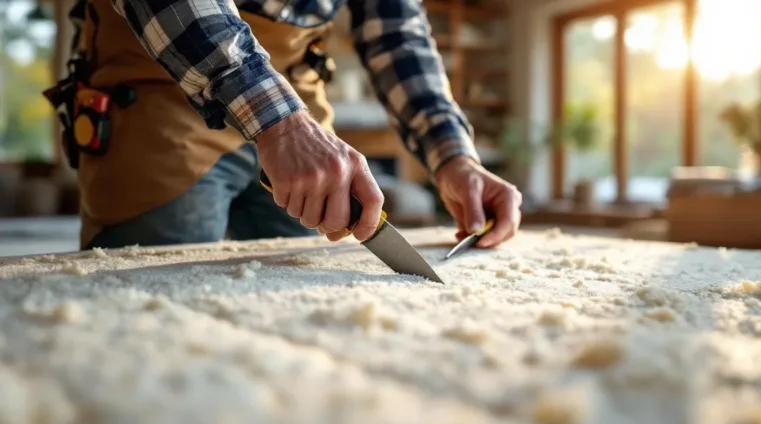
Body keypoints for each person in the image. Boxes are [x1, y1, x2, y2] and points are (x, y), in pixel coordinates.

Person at [71, 0, 522, 250]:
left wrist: (453, 155)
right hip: (159, 89)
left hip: (298, 103)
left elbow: (397, 34)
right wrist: (278, 122)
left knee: (308, 287)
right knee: (148, 299)